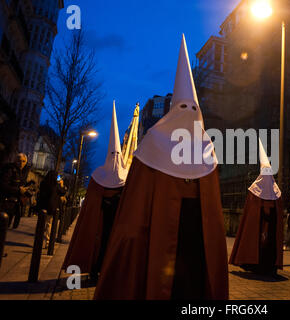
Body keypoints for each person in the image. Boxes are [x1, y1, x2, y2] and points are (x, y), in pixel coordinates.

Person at [94, 35, 228, 300]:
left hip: (195, 232)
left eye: (193, 107)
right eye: (182, 107)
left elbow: (212, 207)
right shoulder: (153, 141)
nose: (187, 111)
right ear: (171, 110)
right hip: (157, 228)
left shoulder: (206, 148)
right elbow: (137, 203)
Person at [63, 102, 129, 282]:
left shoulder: (126, 176)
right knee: (97, 245)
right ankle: (92, 271)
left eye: (118, 155)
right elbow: (92, 203)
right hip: (100, 223)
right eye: (113, 154)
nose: (116, 158)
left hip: (116, 224)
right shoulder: (98, 175)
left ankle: (107, 272)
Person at [229, 139, 283, 276]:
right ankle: (254, 265)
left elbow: (277, 212)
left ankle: (268, 267)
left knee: (268, 247)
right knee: (257, 244)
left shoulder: (276, 191)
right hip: (258, 225)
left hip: (269, 225)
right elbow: (250, 214)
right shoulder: (255, 189)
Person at [0, 153, 30, 229]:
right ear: (15, 161)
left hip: (14, 204)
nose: (21, 163)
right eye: (19, 161)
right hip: (5, 202)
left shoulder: (23, 172)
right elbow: (3, 185)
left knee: (6, 227)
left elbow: (21, 185)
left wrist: (26, 190)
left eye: (23, 161)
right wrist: (19, 190)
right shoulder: (9, 169)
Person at [36, 170, 59, 249]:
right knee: (48, 225)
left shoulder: (43, 182)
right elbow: (60, 193)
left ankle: (39, 241)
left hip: (42, 207)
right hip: (49, 207)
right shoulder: (54, 184)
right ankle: (47, 242)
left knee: (42, 225)